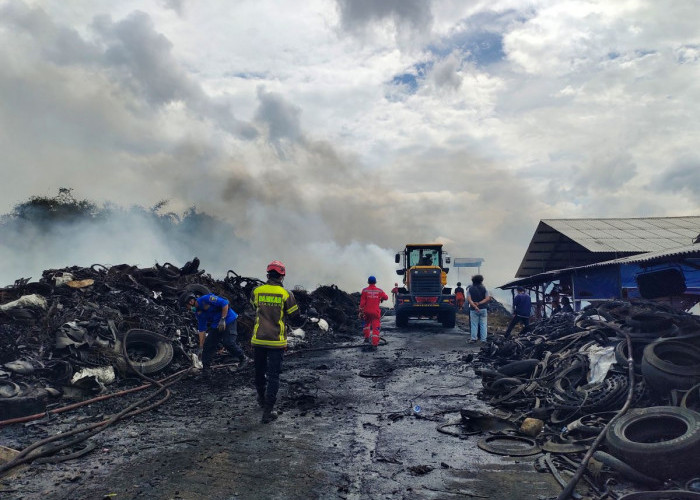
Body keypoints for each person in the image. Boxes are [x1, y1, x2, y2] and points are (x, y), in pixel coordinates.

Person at [250, 260, 300, 424]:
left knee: (259, 371)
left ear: (268, 275)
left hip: (258, 339)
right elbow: (294, 315)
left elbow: (253, 307)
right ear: (282, 276)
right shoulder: (286, 294)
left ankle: (261, 399)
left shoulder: (256, 291)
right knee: (273, 376)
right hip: (276, 342)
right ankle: (267, 412)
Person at [182, 292, 249, 378]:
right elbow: (202, 329)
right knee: (208, 345)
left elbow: (224, 304)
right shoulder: (198, 313)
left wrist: (223, 319)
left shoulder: (206, 299)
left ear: (191, 302)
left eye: (186, 306)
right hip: (216, 325)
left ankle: (243, 358)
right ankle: (206, 371)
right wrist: (201, 346)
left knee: (228, 342)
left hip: (228, 320)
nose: (188, 309)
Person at [359, 276, 388, 351]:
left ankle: (366, 338)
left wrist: (360, 311)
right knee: (376, 327)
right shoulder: (379, 291)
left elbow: (362, 303)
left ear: (368, 282)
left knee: (366, 324)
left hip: (366, 311)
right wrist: (381, 298)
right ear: (375, 282)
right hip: (375, 312)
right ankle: (374, 344)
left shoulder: (364, 291)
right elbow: (386, 297)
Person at [467, 274, 491, 342]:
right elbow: (487, 298)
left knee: (474, 324)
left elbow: (469, 299)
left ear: (473, 281)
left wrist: (475, 306)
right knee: (483, 324)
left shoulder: (470, 289)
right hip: (483, 309)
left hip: (473, 309)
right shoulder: (484, 288)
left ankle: (474, 338)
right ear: (481, 280)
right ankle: (483, 339)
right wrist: (479, 303)